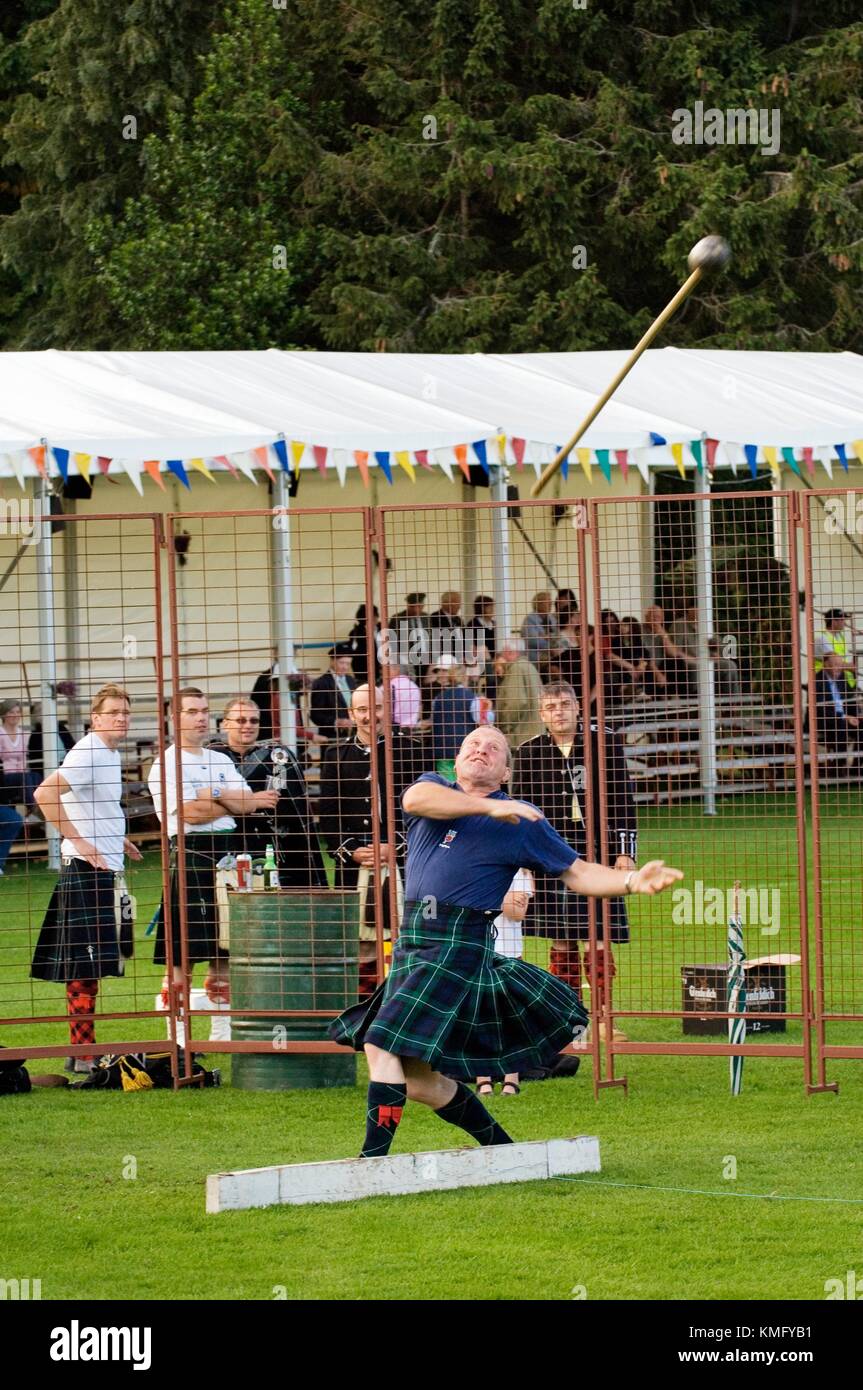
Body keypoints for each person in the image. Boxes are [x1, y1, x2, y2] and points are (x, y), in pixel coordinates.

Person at [330, 724, 682, 1158]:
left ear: (506, 771)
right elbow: (412, 800)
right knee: (420, 1080)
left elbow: (578, 872)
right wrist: (485, 808)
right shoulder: (433, 789)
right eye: (472, 744)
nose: (480, 750)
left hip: (457, 943)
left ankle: (370, 1164)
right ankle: (503, 1151)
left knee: (380, 1041)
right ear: (456, 761)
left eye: (493, 748)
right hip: (413, 939)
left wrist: (630, 880)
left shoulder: (522, 821)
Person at [512, 681, 638, 1046]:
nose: (559, 712)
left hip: (597, 854)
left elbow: (623, 800)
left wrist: (625, 850)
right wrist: (522, 863)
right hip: (549, 856)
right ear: (541, 714)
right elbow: (521, 812)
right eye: (550, 707)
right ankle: (571, 1023)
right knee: (561, 938)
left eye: (565, 704)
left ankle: (604, 1019)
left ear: (578, 707)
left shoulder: (604, 743)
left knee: (597, 937)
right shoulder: (530, 752)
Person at [30, 684, 143, 1072]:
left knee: (91, 964)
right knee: (84, 965)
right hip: (84, 868)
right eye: (113, 712)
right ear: (96, 718)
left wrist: (117, 837)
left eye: (125, 713)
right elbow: (44, 794)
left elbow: (94, 804)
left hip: (102, 865)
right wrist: (79, 840)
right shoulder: (91, 751)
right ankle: (81, 1053)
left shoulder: (108, 753)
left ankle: (84, 1049)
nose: (121, 718)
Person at [148, 687, 278, 1008]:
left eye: (204, 711)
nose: (201, 718)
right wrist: (231, 802)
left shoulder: (219, 759)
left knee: (224, 949)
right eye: (192, 712)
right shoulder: (165, 764)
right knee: (182, 952)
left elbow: (251, 803)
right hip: (190, 853)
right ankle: (177, 1043)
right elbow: (190, 813)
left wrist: (213, 792)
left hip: (228, 854)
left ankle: (222, 1037)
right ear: (173, 718)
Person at [318, 685, 420, 1000]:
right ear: (351, 714)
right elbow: (327, 814)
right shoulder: (335, 755)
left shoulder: (411, 749)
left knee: (407, 934)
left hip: (404, 858)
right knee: (361, 939)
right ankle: (366, 1010)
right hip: (355, 860)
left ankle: (402, 1007)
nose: (369, 715)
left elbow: (425, 807)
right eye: (361, 709)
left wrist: (397, 845)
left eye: (375, 708)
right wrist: (349, 849)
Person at [209, 696, 326, 885]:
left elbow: (276, 802)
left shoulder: (277, 757)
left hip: (271, 848)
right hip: (222, 847)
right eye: (240, 720)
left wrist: (231, 801)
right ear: (225, 724)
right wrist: (252, 801)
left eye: (253, 720)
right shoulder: (210, 758)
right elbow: (206, 802)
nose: (248, 725)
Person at [475, 869, 534, 1097]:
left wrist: (490, 896)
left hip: (510, 955)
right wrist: (503, 897)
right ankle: (483, 1078)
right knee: (481, 1017)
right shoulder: (473, 864)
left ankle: (512, 1077)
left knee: (511, 1017)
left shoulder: (519, 871)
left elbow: (517, 912)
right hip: (480, 951)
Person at [430, 657, 481, 778]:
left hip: (443, 753)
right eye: (438, 671)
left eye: (444, 671)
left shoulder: (438, 699)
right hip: (466, 752)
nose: (440, 675)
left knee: (449, 788)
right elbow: (484, 721)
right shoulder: (472, 698)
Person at [495, 641, 544, 747]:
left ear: (509, 653)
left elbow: (516, 703)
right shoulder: (530, 667)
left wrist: (503, 728)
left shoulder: (515, 669)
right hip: (535, 732)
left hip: (521, 736)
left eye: (501, 654)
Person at [812, 652, 860, 757]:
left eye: (840, 665)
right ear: (826, 665)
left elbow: (850, 698)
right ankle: (840, 765)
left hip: (844, 718)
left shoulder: (841, 676)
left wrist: (857, 715)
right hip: (825, 720)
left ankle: (857, 766)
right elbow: (821, 709)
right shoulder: (816, 680)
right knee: (840, 724)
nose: (839, 668)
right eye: (835, 665)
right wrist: (844, 717)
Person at [310, 644, 356, 740]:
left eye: (348, 664)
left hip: (353, 735)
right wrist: (336, 722)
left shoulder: (350, 680)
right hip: (332, 737)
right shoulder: (321, 683)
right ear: (332, 661)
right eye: (341, 663)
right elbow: (315, 715)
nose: (345, 667)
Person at [0, 699, 39, 809]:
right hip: (5, 775)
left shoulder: (23, 733)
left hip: (22, 774)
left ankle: (36, 806)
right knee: (25, 778)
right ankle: (34, 808)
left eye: (17, 712)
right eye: (11, 712)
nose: (15, 715)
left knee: (37, 776)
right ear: (3, 714)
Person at [814, 609, 858, 696]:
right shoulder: (822, 637)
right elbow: (832, 662)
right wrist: (851, 666)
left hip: (843, 680)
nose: (844, 622)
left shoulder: (839, 636)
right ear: (833, 621)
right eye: (841, 619)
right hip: (828, 680)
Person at [392, 593, 430, 681]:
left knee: (425, 684)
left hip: (425, 659)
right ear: (409, 606)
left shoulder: (426, 617)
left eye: (420, 606)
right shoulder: (398, 618)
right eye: (414, 607)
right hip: (407, 660)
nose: (418, 609)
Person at [347, 604, 382, 688]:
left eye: (374, 616)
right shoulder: (356, 633)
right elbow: (355, 656)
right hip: (364, 675)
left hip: (383, 673)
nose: (373, 619)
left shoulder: (382, 628)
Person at [521, 592, 559, 667]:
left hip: (553, 656)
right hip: (536, 657)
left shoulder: (552, 618)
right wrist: (549, 644)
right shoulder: (529, 619)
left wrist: (546, 636)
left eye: (550, 601)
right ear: (539, 603)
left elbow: (558, 636)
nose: (550, 604)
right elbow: (532, 640)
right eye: (547, 601)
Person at [383, 662, 423, 731]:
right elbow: (419, 711)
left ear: (396, 670)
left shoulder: (388, 686)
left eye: (387, 669)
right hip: (411, 731)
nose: (383, 672)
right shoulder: (415, 687)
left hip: (392, 730)